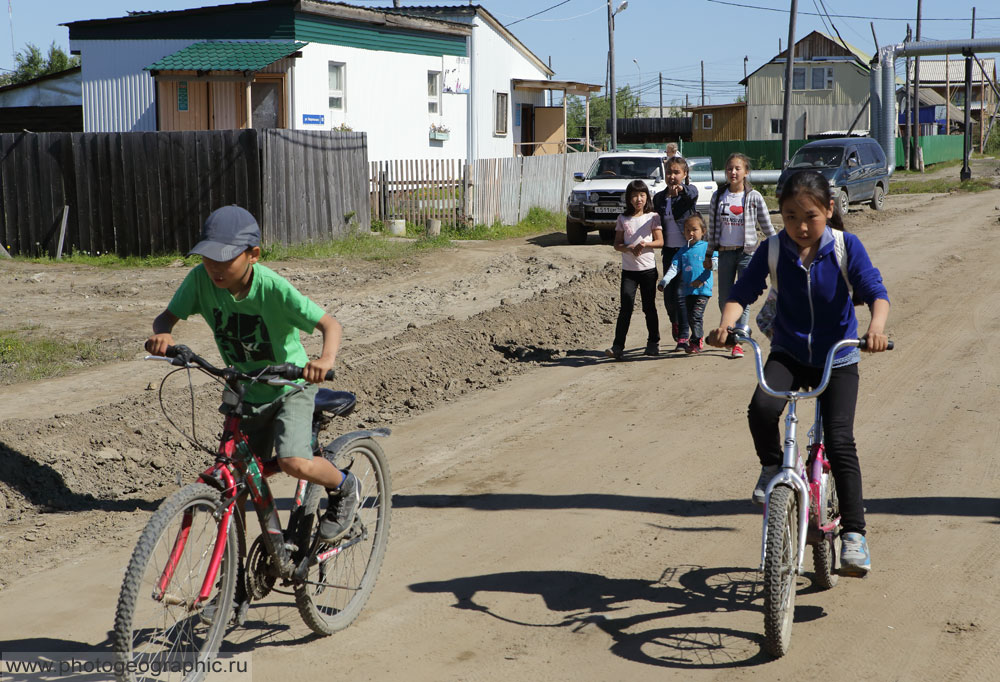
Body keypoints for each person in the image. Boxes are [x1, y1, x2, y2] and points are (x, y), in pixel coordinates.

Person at [706, 170, 890, 576]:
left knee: (840, 441)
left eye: (810, 216)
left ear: (829, 209)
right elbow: (742, 291)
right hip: (789, 351)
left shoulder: (845, 246)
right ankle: (773, 467)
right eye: (790, 217)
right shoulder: (773, 250)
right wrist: (726, 323)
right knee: (760, 408)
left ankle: (855, 536)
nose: (800, 227)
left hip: (837, 357)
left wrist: (875, 329)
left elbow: (875, 292)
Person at [145, 205, 360, 544]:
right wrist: (164, 334)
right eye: (207, 258)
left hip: (289, 386)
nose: (214, 268)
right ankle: (236, 575)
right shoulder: (200, 281)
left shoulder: (272, 288)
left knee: (293, 461)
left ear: (253, 255)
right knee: (235, 485)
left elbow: (329, 324)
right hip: (245, 391)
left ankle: (344, 486)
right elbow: (166, 317)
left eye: (224, 259)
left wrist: (325, 360)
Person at [705, 152, 776, 359]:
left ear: (746, 172)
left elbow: (767, 227)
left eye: (738, 168)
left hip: (747, 253)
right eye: (729, 169)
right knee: (724, 299)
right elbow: (712, 228)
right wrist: (709, 254)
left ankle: (738, 340)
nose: (733, 172)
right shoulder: (718, 196)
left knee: (741, 297)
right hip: (725, 253)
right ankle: (729, 332)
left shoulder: (754, 197)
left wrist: (779, 249)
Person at [605, 180, 663, 360]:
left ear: (647, 197)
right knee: (626, 307)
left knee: (649, 307)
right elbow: (617, 244)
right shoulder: (623, 219)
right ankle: (618, 346)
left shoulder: (653, 217)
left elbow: (660, 242)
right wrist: (628, 248)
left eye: (642, 195)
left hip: (647, 269)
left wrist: (645, 244)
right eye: (635, 196)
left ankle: (653, 342)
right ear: (629, 198)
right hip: (629, 270)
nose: (639, 199)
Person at [652, 156, 699, 349]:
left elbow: (691, 193)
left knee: (682, 293)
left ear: (685, 174)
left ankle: (683, 337)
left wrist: (682, 190)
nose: (672, 176)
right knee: (669, 295)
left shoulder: (689, 193)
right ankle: (676, 321)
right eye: (669, 172)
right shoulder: (659, 198)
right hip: (669, 252)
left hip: (687, 252)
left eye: (676, 172)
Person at [658, 214, 717, 354]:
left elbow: (715, 263)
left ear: (703, 231)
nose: (691, 233)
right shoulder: (682, 251)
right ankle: (697, 338)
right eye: (687, 230)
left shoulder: (707, 247)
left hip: (703, 290)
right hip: (688, 291)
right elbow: (674, 267)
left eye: (694, 229)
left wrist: (704, 275)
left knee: (696, 316)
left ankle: (696, 340)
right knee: (690, 317)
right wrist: (664, 281)